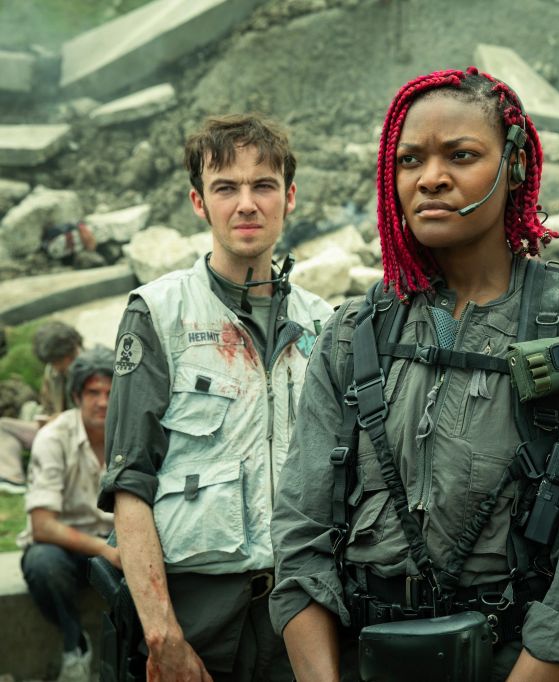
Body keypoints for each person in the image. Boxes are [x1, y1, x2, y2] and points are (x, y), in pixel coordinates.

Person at [269, 67, 559, 682]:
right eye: (409, 159)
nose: (431, 178)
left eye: (461, 156)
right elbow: (302, 535)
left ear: (513, 167)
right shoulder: (355, 331)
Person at [98, 113, 333, 682]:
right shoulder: (158, 313)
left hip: (300, 609)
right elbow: (130, 485)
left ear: (290, 197)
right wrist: (163, 634)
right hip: (197, 613)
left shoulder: (325, 324)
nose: (246, 204)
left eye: (263, 186)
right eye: (226, 187)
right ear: (199, 202)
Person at [18, 346, 117, 682]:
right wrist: (104, 549)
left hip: (119, 539)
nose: (102, 402)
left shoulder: (132, 434)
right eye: (93, 392)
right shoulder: (53, 438)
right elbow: (42, 525)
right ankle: (75, 646)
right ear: (77, 394)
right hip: (68, 545)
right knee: (41, 563)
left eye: (110, 391)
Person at [0, 321, 83, 493]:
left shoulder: (94, 370)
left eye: (58, 361)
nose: (55, 367)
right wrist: (48, 418)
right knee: (4, 426)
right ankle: (12, 478)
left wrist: (63, 419)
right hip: (57, 429)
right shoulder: (52, 372)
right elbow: (49, 406)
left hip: (84, 436)